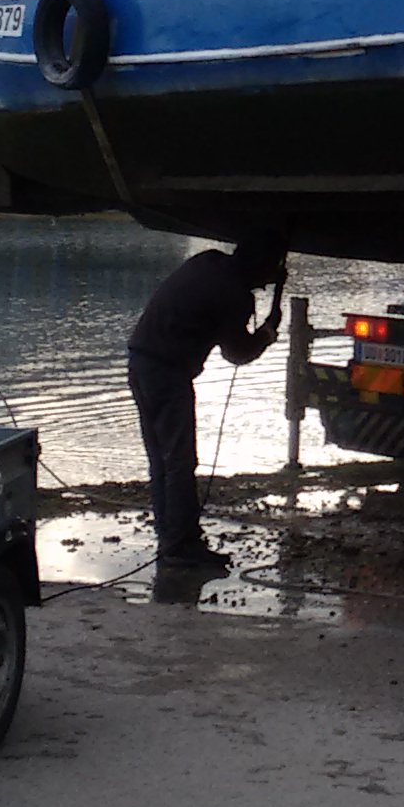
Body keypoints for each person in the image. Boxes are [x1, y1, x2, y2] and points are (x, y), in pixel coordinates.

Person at [127, 234, 288, 571]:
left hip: (140, 361)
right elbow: (238, 353)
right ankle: (182, 545)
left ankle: (169, 535)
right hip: (166, 373)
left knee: (162, 458)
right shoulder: (233, 295)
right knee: (181, 461)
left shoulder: (208, 261)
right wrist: (268, 333)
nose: (263, 286)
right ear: (260, 268)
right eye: (266, 276)